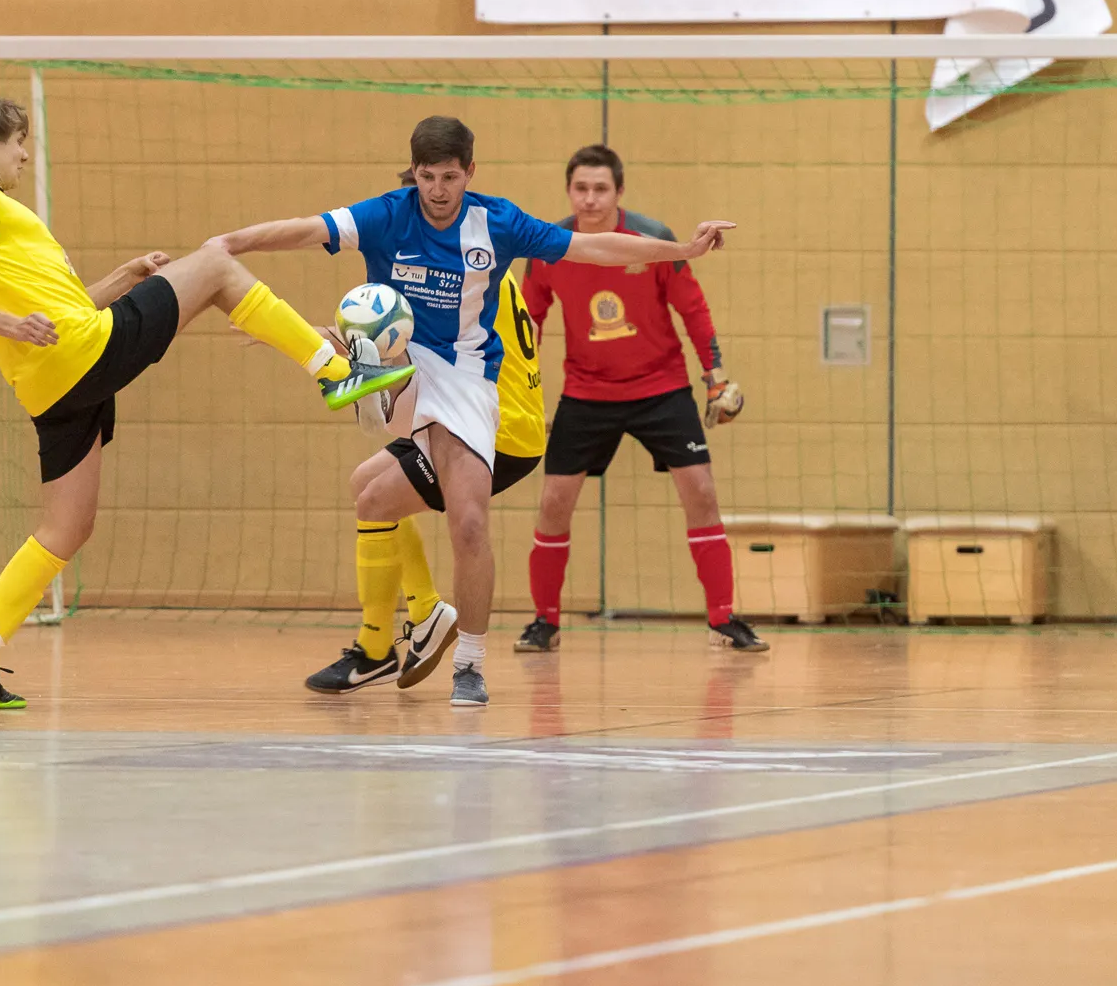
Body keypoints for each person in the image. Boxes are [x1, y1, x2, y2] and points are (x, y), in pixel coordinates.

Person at [209, 117, 734, 706]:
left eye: (450, 177)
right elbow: (308, 229)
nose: (437, 190)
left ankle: (466, 661)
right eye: (427, 177)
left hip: (471, 388)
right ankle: (403, 626)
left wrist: (681, 250)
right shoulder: (385, 215)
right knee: (369, 492)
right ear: (414, 174)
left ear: (470, 173)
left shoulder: (497, 229)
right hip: (410, 366)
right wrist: (230, 243)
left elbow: (593, 248)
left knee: (467, 523)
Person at [0, 93, 410, 709]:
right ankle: (336, 371)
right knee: (218, 266)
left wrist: (123, 278)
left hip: (54, 379)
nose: (23, 154)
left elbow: (67, 307)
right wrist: (8, 324)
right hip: (78, 355)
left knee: (67, 527)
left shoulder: (1, 217)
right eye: (18, 141)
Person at [515, 144, 765, 654]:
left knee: (702, 492)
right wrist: (519, 391)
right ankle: (545, 622)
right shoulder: (548, 248)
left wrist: (715, 375)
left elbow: (692, 309)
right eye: (580, 188)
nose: (590, 199)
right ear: (569, 191)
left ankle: (723, 618)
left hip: (661, 389)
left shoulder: (653, 240)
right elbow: (528, 322)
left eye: (600, 189)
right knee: (553, 502)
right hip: (586, 392)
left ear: (619, 192)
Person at [305, 247, 548, 697]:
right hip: (465, 408)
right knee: (364, 483)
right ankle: (426, 612)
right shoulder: (479, 257)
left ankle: (376, 649)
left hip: (495, 428)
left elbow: (378, 348)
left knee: (375, 504)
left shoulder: (445, 268)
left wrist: (296, 337)